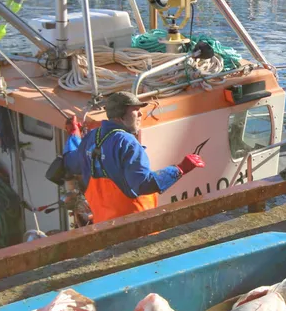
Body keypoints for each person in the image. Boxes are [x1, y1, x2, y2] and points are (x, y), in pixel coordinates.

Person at [62, 91, 205, 224]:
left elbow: (70, 162)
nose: (140, 115)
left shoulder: (92, 137)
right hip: (135, 227)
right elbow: (142, 184)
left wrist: (74, 136)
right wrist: (180, 169)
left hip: (103, 226)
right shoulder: (127, 143)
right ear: (121, 116)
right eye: (135, 110)